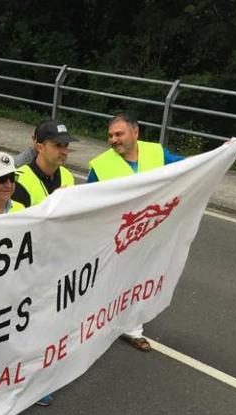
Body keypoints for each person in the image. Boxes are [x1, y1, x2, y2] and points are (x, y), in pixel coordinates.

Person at [87, 112, 183, 353]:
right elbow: (87, 201)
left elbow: (188, 167)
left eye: (118, 134)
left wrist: (217, 157)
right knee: (112, 279)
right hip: (118, 236)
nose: (113, 139)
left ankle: (132, 328)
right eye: (110, 135)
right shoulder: (101, 166)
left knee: (141, 277)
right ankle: (96, 322)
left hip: (150, 232)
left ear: (135, 132)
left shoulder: (157, 153)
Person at [12, 118, 77, 207]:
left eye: (66, 145)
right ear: (40, 147)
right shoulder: (20, 180)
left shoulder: (67, 175)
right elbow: (17, 219)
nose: (64, 151)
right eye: (57, 145)